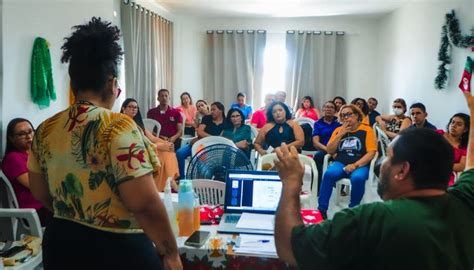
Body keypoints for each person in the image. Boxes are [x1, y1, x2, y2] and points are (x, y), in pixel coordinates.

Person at [28, 18, 182, 269]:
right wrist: (172, 253)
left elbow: (40, 192)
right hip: (118, 250)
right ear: (112, 84)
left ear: (73, 84)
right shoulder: (118, 126)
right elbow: (143, 203)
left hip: (61, 245)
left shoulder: (45, 129)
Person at [274, 91, 474, 269]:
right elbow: (471, 167)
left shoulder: (372, 219)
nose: (382, 164)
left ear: (402, 170)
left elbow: (289, 248)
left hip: (357, 166)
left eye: (388, 156)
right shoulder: (465, 201)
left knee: (358, 177)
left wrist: (291, 183)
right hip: (340, 162)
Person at [318, 104, 377, 217]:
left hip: (360, 164)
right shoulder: (338, 130)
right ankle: (322, 209)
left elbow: (371, 153)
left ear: (357, 115)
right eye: (343, 115)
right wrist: (340, 134)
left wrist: (355, 165)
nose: (346, 118)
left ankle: (353, 210)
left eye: (349, 114)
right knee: (329, 174)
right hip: (340, 162)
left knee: (357, 178)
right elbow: (330, 150)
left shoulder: (367, 130)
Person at [1, 118, 52, 226]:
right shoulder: (13, 158)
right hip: (35, 211)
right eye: (21, 134)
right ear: (11, 138)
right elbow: (35, 185)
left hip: (46, 204)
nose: (28, 137)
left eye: (30, 131)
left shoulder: (36, 154)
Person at [121, 98, 179, 191]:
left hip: (147, 147)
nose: (134, 109)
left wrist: (167, 143)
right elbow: (136, 144)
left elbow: (152, 138)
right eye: (131, 107)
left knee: (169, 152)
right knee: (164, 154)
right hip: (136, 150)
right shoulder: (123, 123)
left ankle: (169, 183)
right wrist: (159, 146)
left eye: (136, 107)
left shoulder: (137, 123)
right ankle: (162, 186)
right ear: (123, 108)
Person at [176, 102, 226, 178]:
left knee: (202, 164)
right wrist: (213, 138)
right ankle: (182, 178)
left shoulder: (226, 122)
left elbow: (222, 139)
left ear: (221, 110)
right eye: (211, 109)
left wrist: (207, 138)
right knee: (180, 153)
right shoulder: (207, 118)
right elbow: (199, 131)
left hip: (214, 148)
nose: (211, 111)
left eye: (214, 109)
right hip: (199, 143)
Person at [311, 101, 341, 190]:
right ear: (323, 109)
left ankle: (341, 187)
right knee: (318, 157)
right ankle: (317, 187)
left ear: (335, 111)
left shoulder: (339, 123)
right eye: (326, 107)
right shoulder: (318, 123)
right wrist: (329, 151)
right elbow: (315, 142)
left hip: (338, 150)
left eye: (331, 107)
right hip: (324, 150)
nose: (328, 109)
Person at [437, 113, 470, 186]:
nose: (454, 125)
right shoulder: (438, 134)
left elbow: (461, 166)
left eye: (459, 124)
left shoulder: (464, 147)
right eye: (452, 122)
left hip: (446, 176)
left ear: (465, 129)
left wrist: (441, 165)